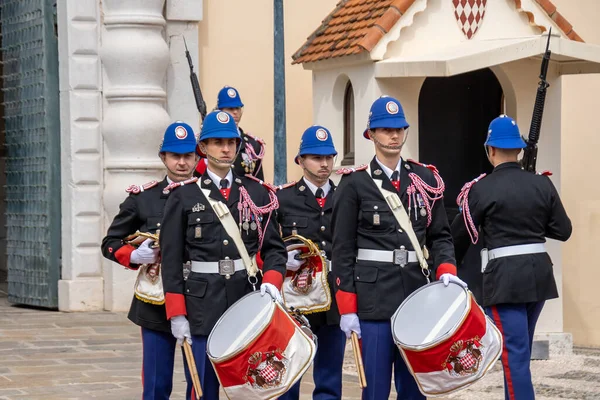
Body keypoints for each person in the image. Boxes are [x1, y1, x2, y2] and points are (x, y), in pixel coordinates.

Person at [332, 96, 464, 400]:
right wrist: (348, 308)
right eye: (385, 129)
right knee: (375, 388)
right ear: (371, 134)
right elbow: (342, 250)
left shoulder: (425, 178)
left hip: (417, 296)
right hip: (373, 300)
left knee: (415, 388)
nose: (393, 135)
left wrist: (446, 269)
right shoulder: (354, 185)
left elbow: (441, 235)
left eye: (398, 129)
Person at [159, 110, 287, 400]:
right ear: (203, 148)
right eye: (217, 142)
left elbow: (274, 249)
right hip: (202, 301)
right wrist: (177, 313)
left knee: (249, 381)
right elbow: (171, 261)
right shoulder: (183, 196)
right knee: (203, 384)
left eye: (231, 141)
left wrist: (272, 282)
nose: (226, 148)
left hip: (246, 296)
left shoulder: (257, 193)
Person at [451, 115, 572, 400]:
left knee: (515, 354)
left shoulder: (481, 188)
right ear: (518, 149)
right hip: (538, 278)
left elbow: (460, 235)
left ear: (489, 150)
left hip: (505, 282)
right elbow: (563, 230)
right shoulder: (542, 185)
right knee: (520, 351)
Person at [101, 121, 198, 399]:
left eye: (187, 156)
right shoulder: (143, 198)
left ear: (196, 157)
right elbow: (110, 243)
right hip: (156, 300)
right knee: (156, 382)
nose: (182, 163)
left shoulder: (209, 195)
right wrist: (134, 255)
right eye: (175, 156)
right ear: (163, 157)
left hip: (200, 296)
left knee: (200, 380)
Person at [276, 126, 346, 400]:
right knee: (289, 372)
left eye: (329, 157)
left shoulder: (345, 196)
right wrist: (282, 260)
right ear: (301, 160)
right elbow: (266, 247)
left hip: (334, 298)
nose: (325, 164)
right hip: (296, 298)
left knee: (330, 376)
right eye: (317, 158)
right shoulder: (283, 199)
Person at [194, 86, 265, 180]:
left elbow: (258, 181)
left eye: (238, 108)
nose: (235, 112)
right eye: (230, 109)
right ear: (220, 111)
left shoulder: (252, 146)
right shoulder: (203, 141)